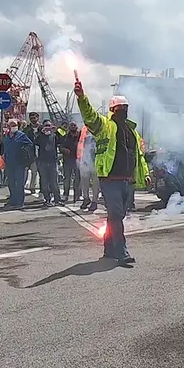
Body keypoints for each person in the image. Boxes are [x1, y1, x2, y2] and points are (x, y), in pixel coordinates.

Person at [74, 83, 150, 265]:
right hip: (109, 178)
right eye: (119, 108)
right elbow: (90, 116)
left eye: (125, 108)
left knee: (116, 215)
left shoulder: (132, 131)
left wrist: (145, 174)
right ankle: (121, 252)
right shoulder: (105, 126)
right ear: (112, 109)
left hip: (127, 180)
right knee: (116, 214)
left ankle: (109, 248)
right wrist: (81, 97)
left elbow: (139, 156)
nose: (123, 110)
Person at [2, 118, 33, 209]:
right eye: (11, 125)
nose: (13, 127)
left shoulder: (21, 135)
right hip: (9, 163)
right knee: (11, 182)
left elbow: (30, 145)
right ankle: (13, 200)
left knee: (19, 183)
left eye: (15, 125)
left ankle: (20, 202)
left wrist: (23, 151)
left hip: (19, 163)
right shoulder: (6, 136)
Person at [33, 120, 64, 206]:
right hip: (42, 162)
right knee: (44, 182)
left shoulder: (54, 136)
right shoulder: (40, 136)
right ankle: (47, 199)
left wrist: (57, 130)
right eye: (45, 125)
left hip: (53, 162)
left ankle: (57, 199)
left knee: (54, 182)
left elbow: (63, 138)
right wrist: (41, 132)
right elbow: (35, 142)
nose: (47, 127)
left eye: (48, 125)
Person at [78, 126, 100, 212]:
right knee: (84, 182)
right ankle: (86, 198)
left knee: (95, 183)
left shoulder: (99, 136)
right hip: (84, 161)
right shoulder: (84, 136)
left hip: (95, 162)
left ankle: (95, 201)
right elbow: (80, 148)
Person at [61, 122, 81, 203]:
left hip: (77, 159)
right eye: (71, 125)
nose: (73, 127)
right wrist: (64, 150)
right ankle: (66, 194)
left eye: (74, 125)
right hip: (67, 160)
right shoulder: (65, 136)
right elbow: (60, 147)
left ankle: (78, 195)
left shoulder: (80, 136)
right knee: (67, 178)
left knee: (78, 178)